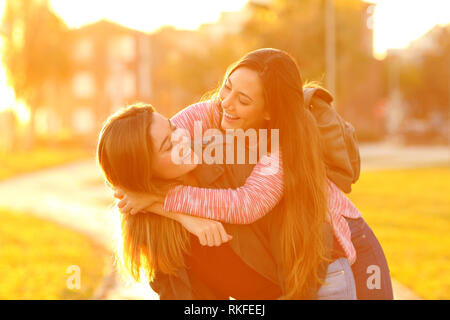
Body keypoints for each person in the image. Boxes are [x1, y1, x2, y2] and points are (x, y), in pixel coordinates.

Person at [116, 48, 393, 299]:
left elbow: (245, 205)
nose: (226, 103)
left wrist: (157, 201)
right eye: (227, 87)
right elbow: (144, 152)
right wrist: (177, 213)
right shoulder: (211, 113)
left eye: (243, 100)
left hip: (348, 253)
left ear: (270, 112)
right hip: (310, 262)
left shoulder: (282, 147)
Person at [98, 104, 356, 299]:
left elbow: (248, 205)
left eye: (174, 127)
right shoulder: (155, 232)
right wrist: (183, 217)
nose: (183, 138)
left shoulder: (228, 156)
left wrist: (163, 202)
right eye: (167, 146)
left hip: (333, 266)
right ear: (145, 173)